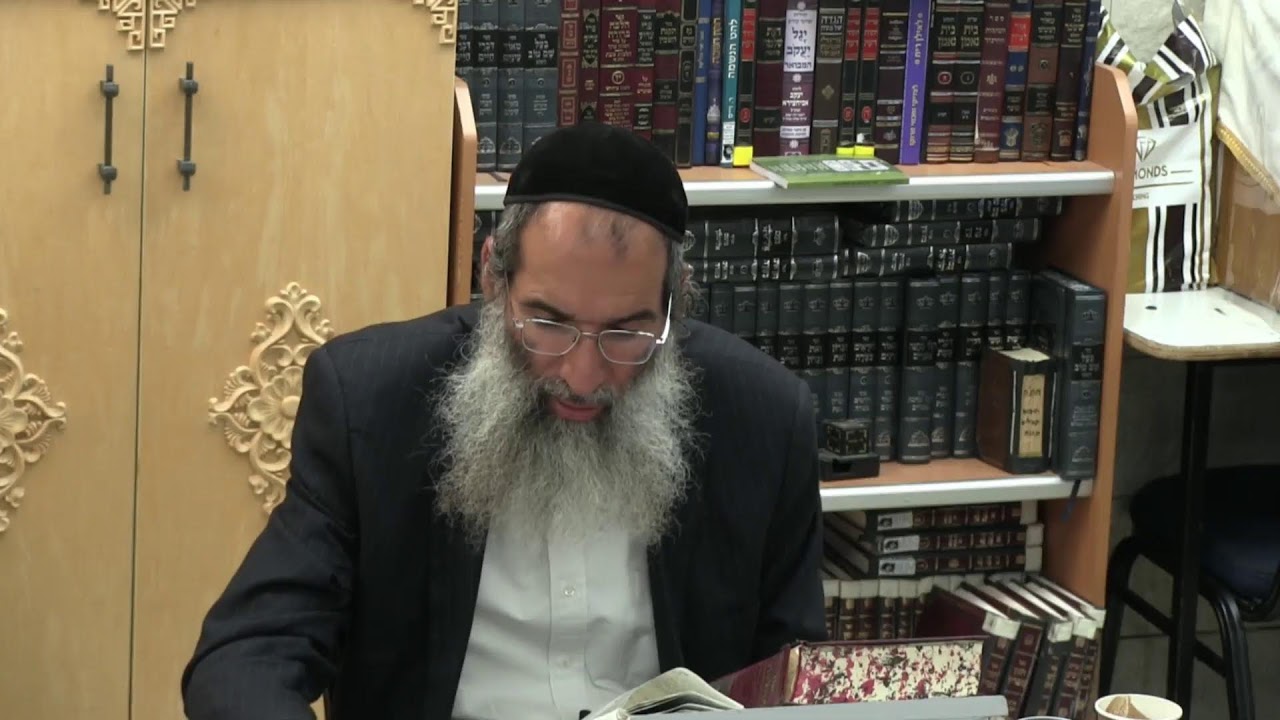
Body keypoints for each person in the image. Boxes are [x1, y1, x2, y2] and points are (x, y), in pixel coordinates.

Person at [180, 121, 827, 720]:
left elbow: (800, 682)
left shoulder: (765, 420)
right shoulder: (371, 400)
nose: (581, 376)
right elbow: (245, 658)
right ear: (494, 278)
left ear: (673, 304)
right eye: (547, 323)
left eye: (626, 334)